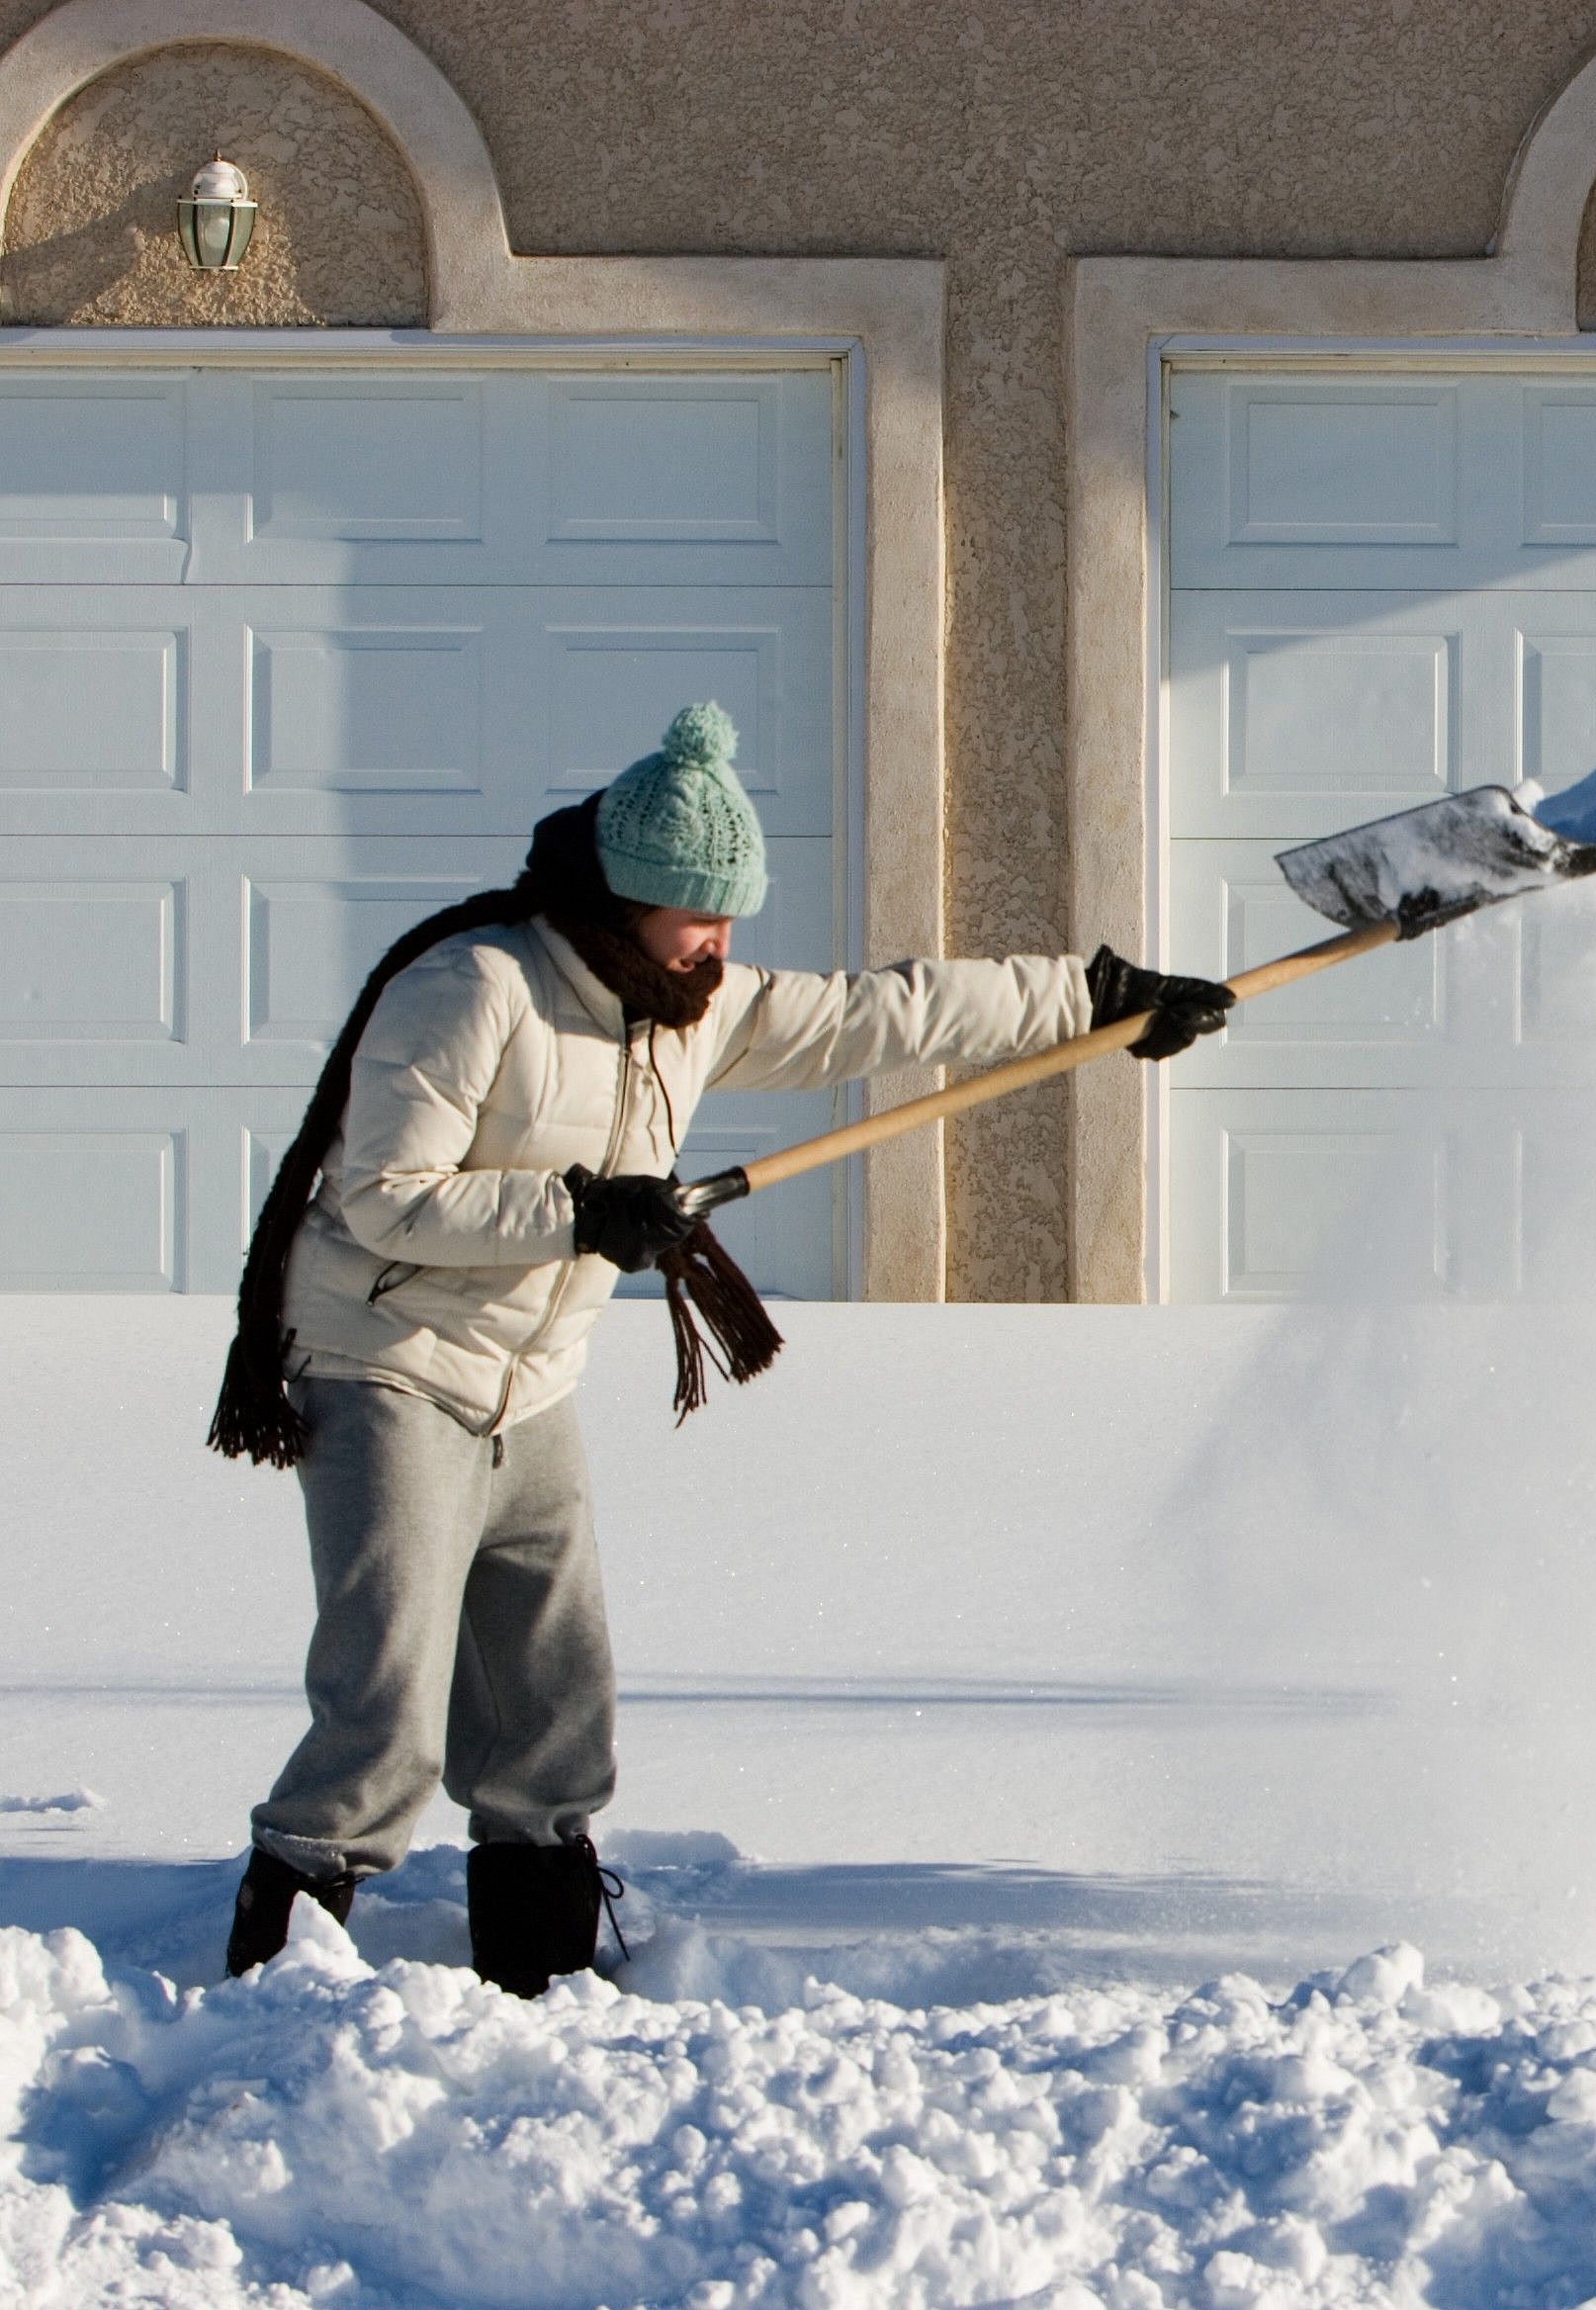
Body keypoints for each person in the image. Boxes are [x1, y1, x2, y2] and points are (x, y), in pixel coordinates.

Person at [211, 702, 1233, 1996]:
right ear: (622, 902)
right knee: (388, 1692)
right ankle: (278, 1968)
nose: (720, 942)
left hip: (531, 1377)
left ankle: (543, 1962)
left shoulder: (688, 1002)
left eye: (729, 916)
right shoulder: (472, 987)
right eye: (698, 916)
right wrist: (579, 1208)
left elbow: (883, 1015)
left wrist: (1093, 999)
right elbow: (383, 1199)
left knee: (550, 1684)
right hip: (389, 1359)